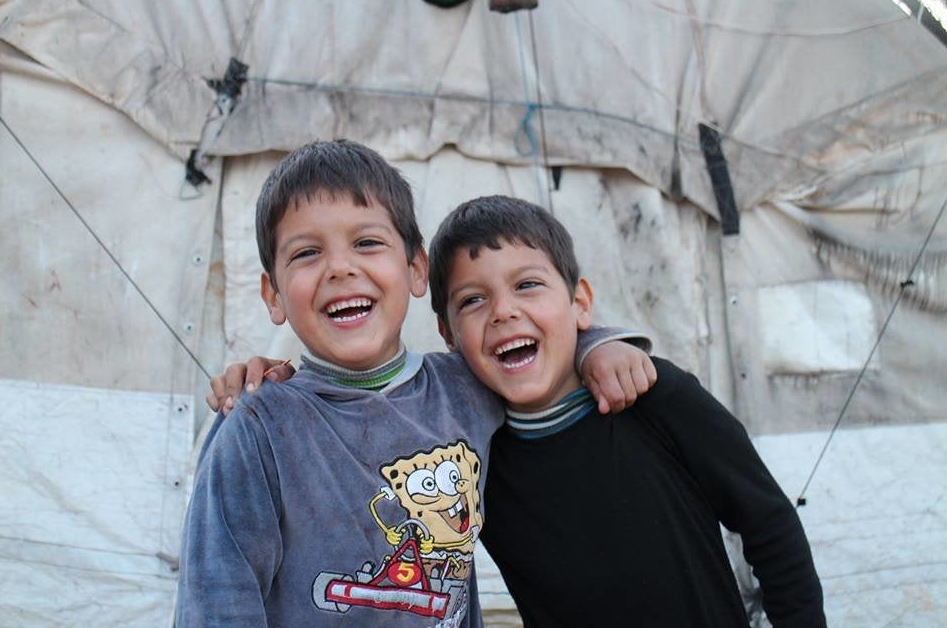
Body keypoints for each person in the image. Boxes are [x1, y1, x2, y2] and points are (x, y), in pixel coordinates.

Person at [176, 140, 655, 627]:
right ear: (273, 294)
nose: (340, 267)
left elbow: (532, 346)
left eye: (366, 243)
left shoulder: (464, 391)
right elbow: (218, 600)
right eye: (307, 252)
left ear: (416, 269)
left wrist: (599, 346)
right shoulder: (259, 428)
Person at [429, 195, 826, 627]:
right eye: (472, 300)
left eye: (527, 285)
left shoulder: (656, 397)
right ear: (448, 334)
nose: (503, 311)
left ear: (580, 303)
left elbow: (769, 524)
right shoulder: (467, 460)